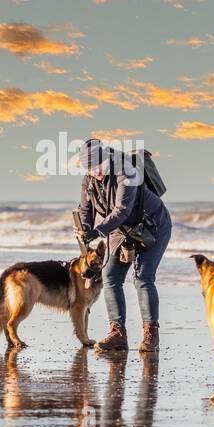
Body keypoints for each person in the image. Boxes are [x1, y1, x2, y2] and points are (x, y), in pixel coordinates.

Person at [76, 137, 172, 353]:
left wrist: (98, 231)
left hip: (152, 225)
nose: (95, 172)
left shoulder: (125, 171)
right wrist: (84, 230)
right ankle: (118, 334)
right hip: (121, 230)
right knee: (110, 277)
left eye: (98, 166)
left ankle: (151, 335)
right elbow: (85, 210)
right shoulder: (89, 179)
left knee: (143, 278)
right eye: (90, 168)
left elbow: (122, 210)